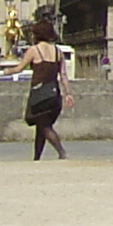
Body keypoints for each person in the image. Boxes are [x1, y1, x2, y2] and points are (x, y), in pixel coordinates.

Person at [10, 18, 70, 160]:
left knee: (44, 126)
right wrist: (68, 93)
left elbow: (19, 68)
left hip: (39, 94)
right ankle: (37, 157)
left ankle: (62, 152)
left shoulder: (34, 50)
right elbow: (63, 75)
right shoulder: (58, 52)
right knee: (42, 125)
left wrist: (6, 72)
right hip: (54, 94)